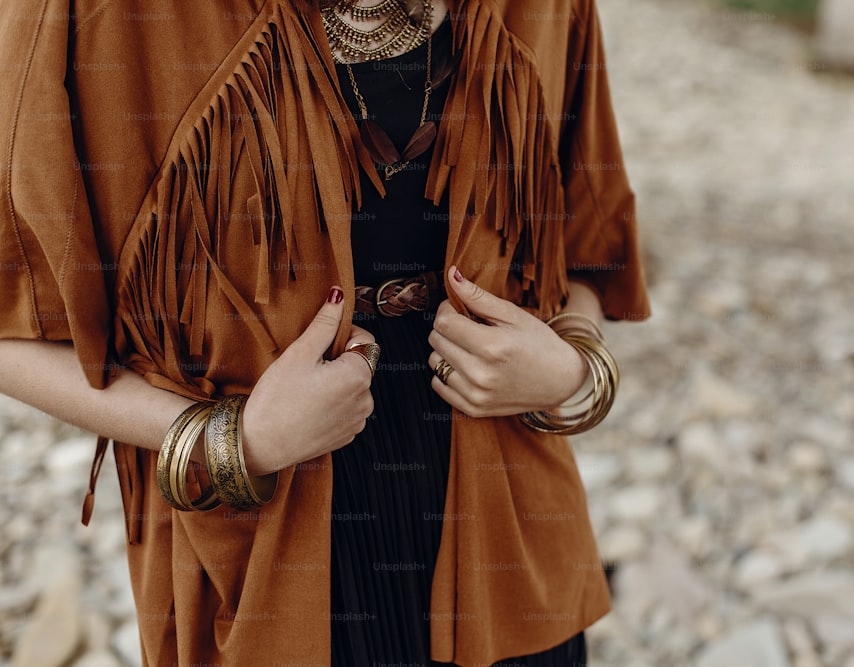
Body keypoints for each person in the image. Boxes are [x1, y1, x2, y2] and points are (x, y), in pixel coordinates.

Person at [0, 0, 650, 664]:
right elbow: (10, 332)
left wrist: (571, 369)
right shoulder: (86, 14)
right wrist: (236, 437)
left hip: (508, 524)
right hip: (259, 544)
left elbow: (586, 246)